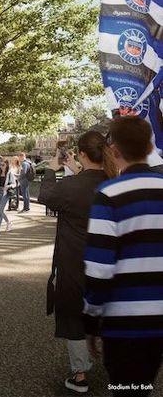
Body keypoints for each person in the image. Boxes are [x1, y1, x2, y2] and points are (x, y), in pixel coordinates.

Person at [83, 117, 163, 397]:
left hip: (125, 321)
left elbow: (99, 269)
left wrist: (91, 320)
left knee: (126, 389)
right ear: (150, 145)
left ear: (114, 151)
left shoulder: (109, 194)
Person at [37, 131, 113, 394]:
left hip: (74, 260)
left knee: (72, 314)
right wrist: (76, 170)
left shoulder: (71, 187)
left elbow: (46, 196)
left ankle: (80, 374)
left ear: (81, 154)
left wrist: (51, 169)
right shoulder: (115, 182)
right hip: (110, 261)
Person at [0, 158, 17, 236]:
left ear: (6, 165)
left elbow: (14, 184)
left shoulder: (10, 173)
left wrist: (8, 186)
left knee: (0, 211)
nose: (1, 166)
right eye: (0, 165)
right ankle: (9, 222)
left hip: (5, 193)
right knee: (0, 211)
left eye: (3, 165)